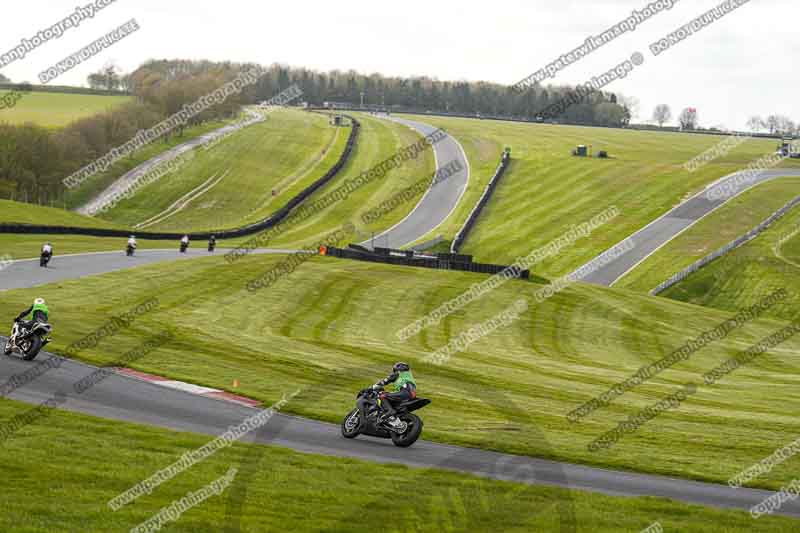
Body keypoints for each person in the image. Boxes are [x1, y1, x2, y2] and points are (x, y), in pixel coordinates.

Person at [373, 362, 417, 428]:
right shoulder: (409, 376)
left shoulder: (398, 374)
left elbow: (385, 381)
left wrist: (374, 386)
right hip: (411, 395)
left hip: (405, 393)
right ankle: (394, 419)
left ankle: (390, 411)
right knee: (390, 397)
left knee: (382, 395)